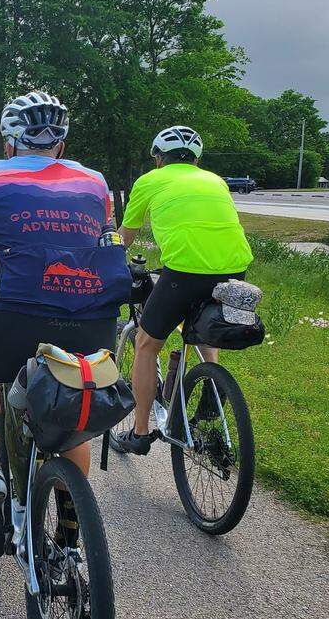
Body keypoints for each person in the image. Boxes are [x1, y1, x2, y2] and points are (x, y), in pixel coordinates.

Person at [0, 91, 129, 542]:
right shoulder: (96, 183)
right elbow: (108, 247)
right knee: (72, 420)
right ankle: (72, 530)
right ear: (60, 143)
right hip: (94, 321)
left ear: (9, 141)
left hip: (17, 317)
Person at [111, 125, 253, 455]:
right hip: (235, 268)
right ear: (196, 160)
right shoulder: (215, 180)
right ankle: (213, 389)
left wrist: (107, 259)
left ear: (159, 159)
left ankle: (141, 432)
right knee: (203, 328)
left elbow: (127, 235)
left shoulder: (149, 181)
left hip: (186, 269)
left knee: (147, 344)